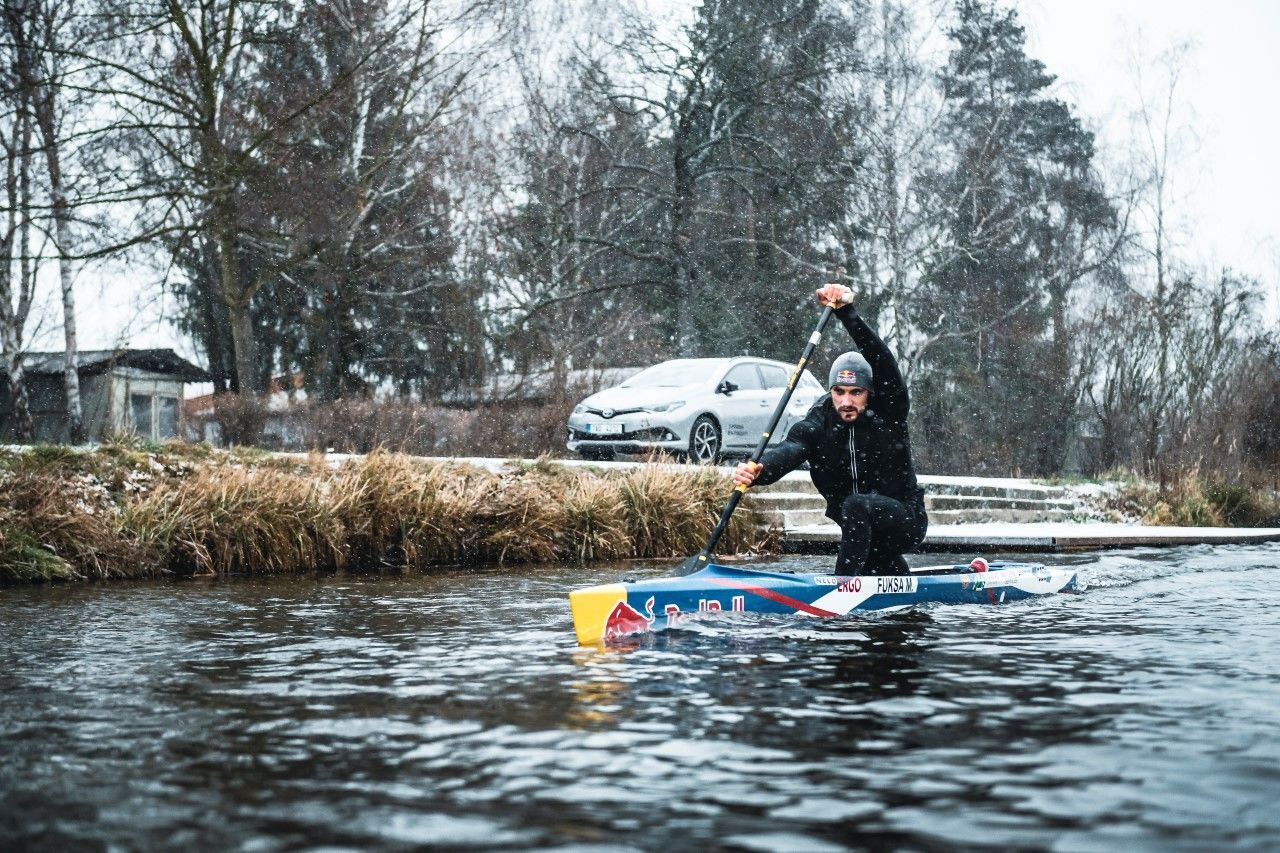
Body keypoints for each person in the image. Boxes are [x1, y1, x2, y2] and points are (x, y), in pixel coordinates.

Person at [733, 283, 927, 575]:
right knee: (878, 566)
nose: (846, 401)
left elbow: (882, 361)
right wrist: (761, 469)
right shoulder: (820, 420)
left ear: (870, 393)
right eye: (839, 391)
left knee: (856, 505)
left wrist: (846, 313)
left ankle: (841, 590)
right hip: (863, 532)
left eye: (855, 392)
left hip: (904, 521)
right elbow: (792, 448)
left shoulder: (889, 411)